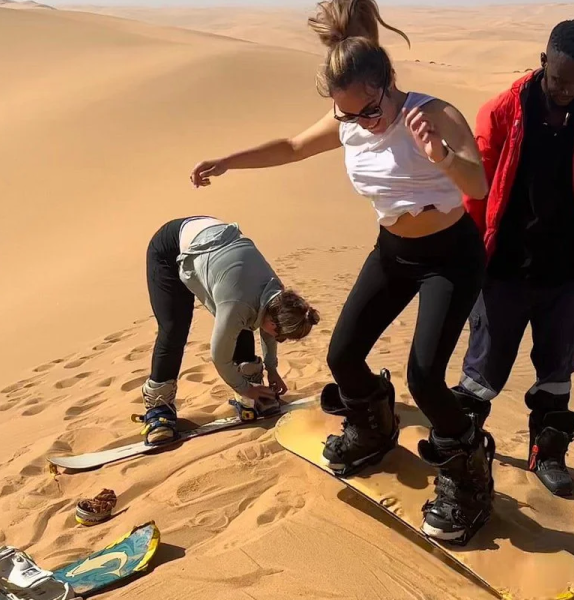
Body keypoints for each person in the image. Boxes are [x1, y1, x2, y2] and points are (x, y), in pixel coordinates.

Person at [190, 0, 494, 545]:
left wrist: (442, 156)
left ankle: (468, 474)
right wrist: (228, 160)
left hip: (450, 256)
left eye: (368, 112)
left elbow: (478, 187)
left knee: (425, 377)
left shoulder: (435, 114)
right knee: (343, 355)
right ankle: (373, 427)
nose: (359, 124)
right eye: (347, 115)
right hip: (393, 253)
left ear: (387, 84)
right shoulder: (348, 118)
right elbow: (291, 146)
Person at [451, 20, 574, 497]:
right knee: (482, 371)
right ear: (543, 60)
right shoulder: (503, 111)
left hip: (565, 271)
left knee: (557, 371)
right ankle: (459, 450)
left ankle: (547, 456)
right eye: (560, 80)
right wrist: (464, 260)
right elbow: (474, 193)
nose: (569, 91)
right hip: (503, 268)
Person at [141, 215, 320, 446]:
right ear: (275, 323)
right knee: (174, 328)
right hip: (169, 248)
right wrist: (244, 388)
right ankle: (158, 409)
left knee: (247, 319)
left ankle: (252, 388)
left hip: (215, 246)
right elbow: (219, 356)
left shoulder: (277, 295)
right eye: (282, 336)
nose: (280, 340)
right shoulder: (237, 303)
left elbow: (266, 325)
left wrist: (272, 369)